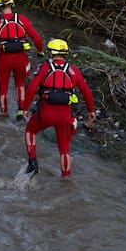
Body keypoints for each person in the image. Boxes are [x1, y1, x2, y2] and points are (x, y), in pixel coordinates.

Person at [21, 38, 96, 178]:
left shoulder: (44, 68)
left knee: (30, 131)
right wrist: (91, 111)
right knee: (64, 150)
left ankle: (32, 162)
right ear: (65, 53)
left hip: (45, 113)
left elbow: (32, 88)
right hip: (65, 117)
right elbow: (86, 92)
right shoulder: (74, 71)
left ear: (50, 53)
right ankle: (66, 180)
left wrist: (25, 108)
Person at [0, 0, 45, 121]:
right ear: (11, 3)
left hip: (3, 59)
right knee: (20, 84)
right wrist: (40, 51)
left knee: (3, 88)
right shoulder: (22, 19)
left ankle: (3, 113)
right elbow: (36, 38)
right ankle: (20, 111)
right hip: (21, 58)